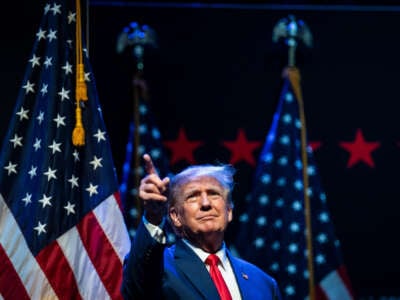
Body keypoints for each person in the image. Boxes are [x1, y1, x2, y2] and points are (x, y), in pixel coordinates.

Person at [121, 153, 282, 300]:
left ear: (229, 211)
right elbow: (135, 289)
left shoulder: (263, 283)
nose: (206, 204)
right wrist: (153, 216)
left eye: (213, 194)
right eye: (193, 196)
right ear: (176, 217)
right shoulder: (159, 268)